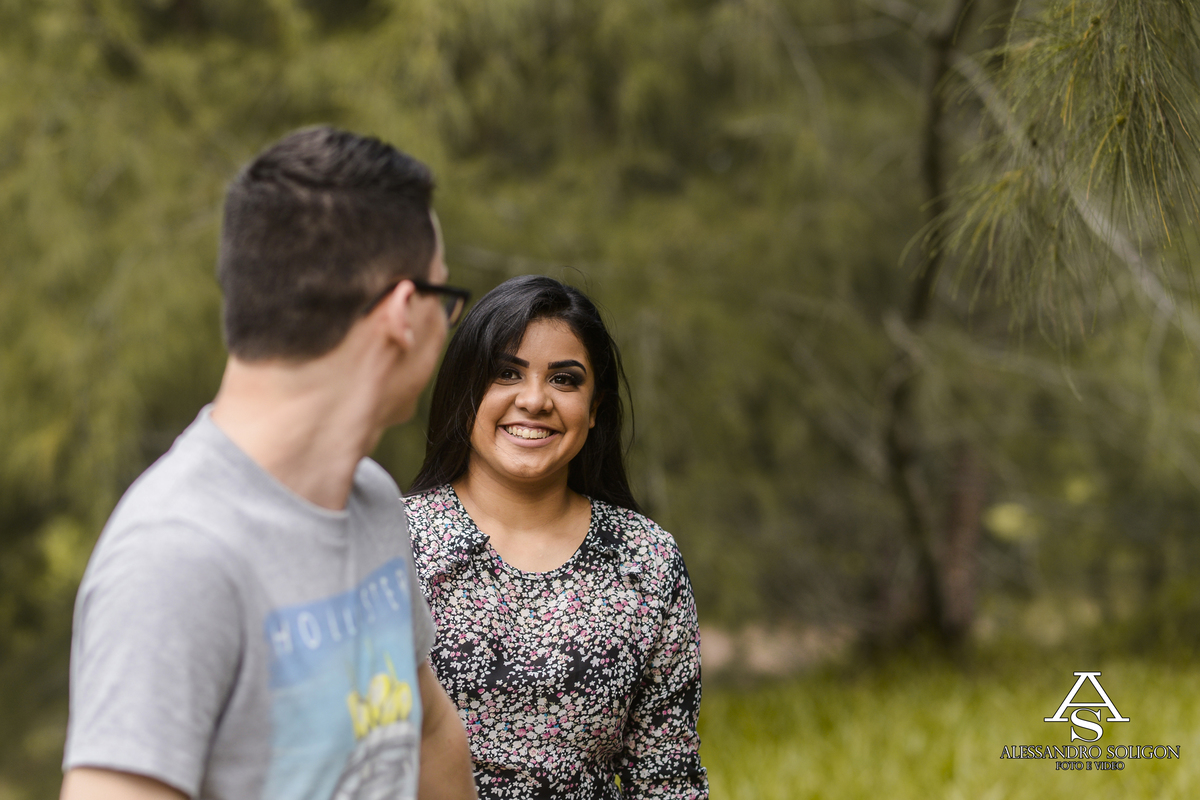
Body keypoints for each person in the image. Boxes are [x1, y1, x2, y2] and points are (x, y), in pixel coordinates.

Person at [61, 127, 478, 800]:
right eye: (445, 299)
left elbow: (427, 730)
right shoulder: (173, 558)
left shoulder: (371, 501)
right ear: (404, 313)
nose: (446, 324)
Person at [404, 275, 708, 799]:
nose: (535, 400)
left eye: (565, 380)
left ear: (594, 410)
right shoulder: (393, 541)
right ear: (465, 390)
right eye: (505, 373)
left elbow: (668, 781)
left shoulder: (647, 559)